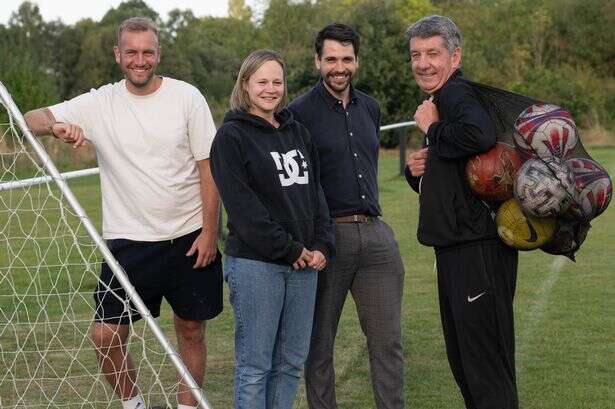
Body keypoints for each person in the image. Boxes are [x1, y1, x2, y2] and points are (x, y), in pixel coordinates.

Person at [23, 17, 222, 409]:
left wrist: (210, 232)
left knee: (191, 329)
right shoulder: (99, 103)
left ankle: (187, 406)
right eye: (131, 52)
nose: (140, 60)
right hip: (128, 243)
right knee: (105, 337)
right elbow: (32, 118)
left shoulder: (187, 97)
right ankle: (134, 406)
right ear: (118, 55)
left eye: (148, 52)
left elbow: (208, 167)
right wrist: (57, 127)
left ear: (158, 54)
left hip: (188, 236)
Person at [209, 49, 335, 409]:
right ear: (246, 85)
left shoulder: (298, 132)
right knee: (255, 367)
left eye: (277, 81)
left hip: (305, 265)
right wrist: (291, 249)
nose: (270, 89)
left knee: (291, 364)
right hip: (256, 266)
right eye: (262, 81)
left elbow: (316, 195)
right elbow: (246, 213)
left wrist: (323, 244)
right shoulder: (231, 138)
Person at [288, 23, 405, 409]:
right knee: (318, 347)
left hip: (376, 237)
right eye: (332, 59)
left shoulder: (369, 106)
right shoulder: (297, 114)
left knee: (387, 343)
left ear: (357, 61)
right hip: (326, 243)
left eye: (347, 59)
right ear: (317, 61)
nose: (340, 67)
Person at [404, 15, 518, 409]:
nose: (423, 63)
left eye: (433, 53)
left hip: (477, 251)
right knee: (468, 363)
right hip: (460, 248)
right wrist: (416, 170)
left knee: (485, 368)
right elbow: (460, 171)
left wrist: (432, 130)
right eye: (416, 55)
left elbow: (479, 135)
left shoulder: (454, 95)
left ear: (455, 56)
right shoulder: (444, 99)